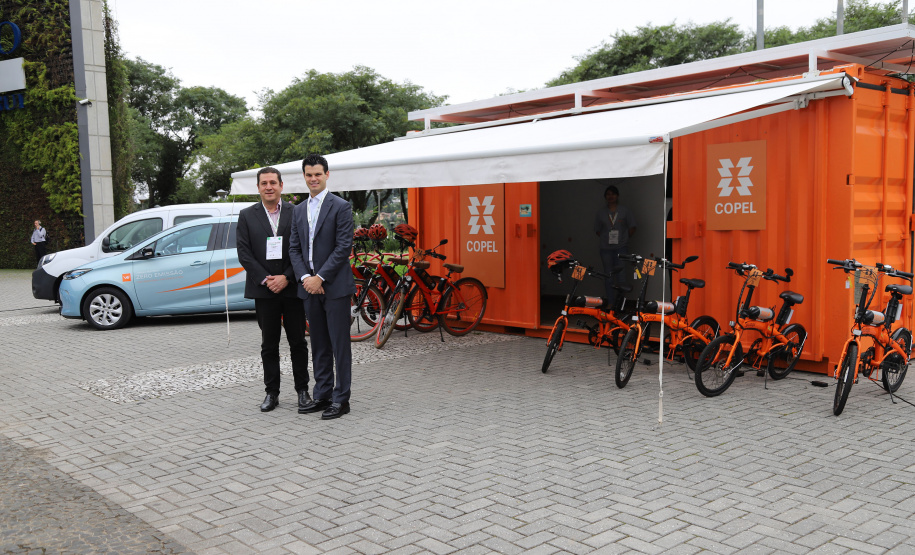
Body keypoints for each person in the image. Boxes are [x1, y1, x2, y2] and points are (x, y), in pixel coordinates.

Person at [236, 167, 310, 413]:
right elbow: (244, 253)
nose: (269, 187)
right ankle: (272, 392)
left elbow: (303, 249)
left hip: (291, 289)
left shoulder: (296, 212)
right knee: (269, 344)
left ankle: (303, 391)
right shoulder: (247, 215)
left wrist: (287, 277)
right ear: (258, 187)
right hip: (264, 290)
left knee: (298, 342)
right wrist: (267, 279)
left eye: (273, 183)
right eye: (264, 183)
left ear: (281, 186)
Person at [289, 154, 356, 420]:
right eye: (309, 175)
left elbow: (343, 247)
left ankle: (342, 399)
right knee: (318, 344)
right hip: (309, 287)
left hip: (335, 287)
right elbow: (294, 248)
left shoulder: (341, 206)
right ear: (304, 177)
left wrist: (321, 277)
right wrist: (306, 277)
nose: (313, 179)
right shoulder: (298, 210)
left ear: (327, 175)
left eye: (318, 174)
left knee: (340, 345)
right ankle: (323, 393)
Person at [594, 184, 636, 306]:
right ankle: (611, 304)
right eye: (608, 194)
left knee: (621, 277)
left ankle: (620, 306)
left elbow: (632, 227)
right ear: (605, 197)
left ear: (617, 196)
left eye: (613, 194)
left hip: (621, 248)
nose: (610, 196)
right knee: (609, 277)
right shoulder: (601, 213)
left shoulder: (625, 210)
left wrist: (624, 239)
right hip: (606, 249)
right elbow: (597, 230)